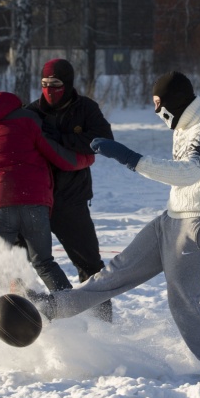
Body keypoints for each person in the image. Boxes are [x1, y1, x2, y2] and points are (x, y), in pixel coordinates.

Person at [29, 71, 200, 383]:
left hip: (199, 224)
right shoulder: (188, 126)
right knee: (115, 273)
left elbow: (187, 173)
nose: (156, 112)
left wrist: (131, 158)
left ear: (174, 103)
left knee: (181, 299)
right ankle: (52, 307)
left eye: (159, 105)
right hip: (172, 218)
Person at [0, 91, 95, 292]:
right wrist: (87, 159)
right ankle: (72, 309)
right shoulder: (28, 123)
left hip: (0, 208)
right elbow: (59, 156)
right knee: (44, 263)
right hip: (34, 205)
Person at [28, 58, 115, 321]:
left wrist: (61, 141)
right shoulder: (32, 112)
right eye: (44, 84)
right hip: (36, 200)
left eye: (55, 84)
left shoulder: (85, 109)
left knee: (90, 266)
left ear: (67, 83)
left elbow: (103, 141)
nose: (49, 89)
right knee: (18, 263)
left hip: (72, 201)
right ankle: (26, 317)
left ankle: (102, 324)